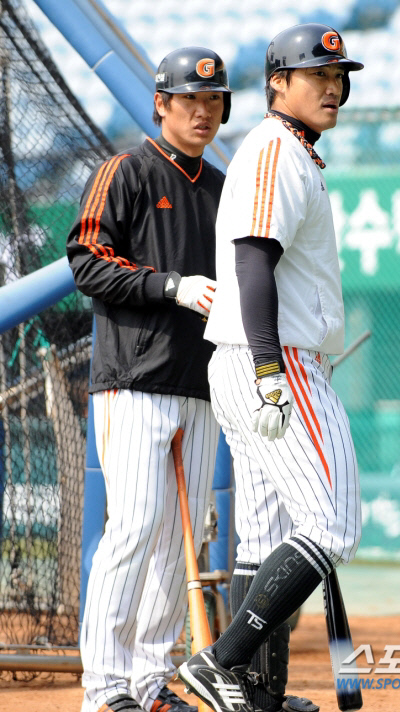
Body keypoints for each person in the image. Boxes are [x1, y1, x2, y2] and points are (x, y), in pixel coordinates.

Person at [178, 23, 364, 712]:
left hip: (253, 360)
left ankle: (257, 694)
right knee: (333, 524)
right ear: (278, 83)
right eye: (318, 75)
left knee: (263, 535)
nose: (333, 87)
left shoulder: (289, 151)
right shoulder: (276, 148)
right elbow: (254, 260)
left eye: (338, 76)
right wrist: (269, 372)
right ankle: (222, 661)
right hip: (274, 360)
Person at [66, 47, 232, 712]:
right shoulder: (126, 171)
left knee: (173, 543)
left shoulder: (223, 188)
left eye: (214, 100)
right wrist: (170, 286)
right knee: (135, 528)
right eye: (190, 98)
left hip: (201, 386)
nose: (203, 111)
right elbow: (87, 261)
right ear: (161, 103)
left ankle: (148, 681)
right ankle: (104, 689)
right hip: (132, 383)